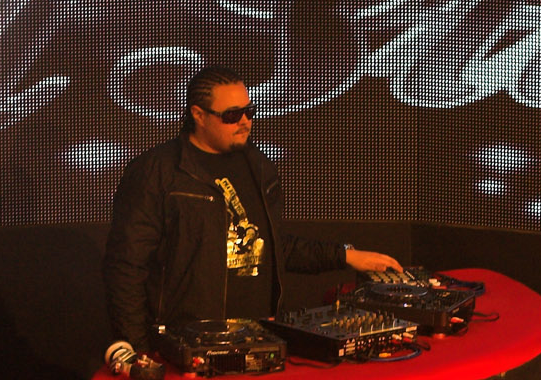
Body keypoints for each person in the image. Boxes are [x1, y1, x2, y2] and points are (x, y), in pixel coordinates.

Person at [103, 64, 403, 354]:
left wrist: (346, 255)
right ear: (198, 115)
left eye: (249, 111)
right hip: (188, 341)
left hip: (259, 337)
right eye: (232, 115)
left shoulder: (259, 167)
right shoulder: (157, 172)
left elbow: (272, 246)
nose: (245, 121)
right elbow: (126, 267)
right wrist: (138, 349)